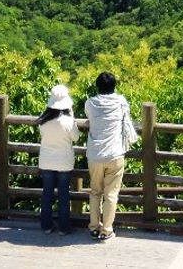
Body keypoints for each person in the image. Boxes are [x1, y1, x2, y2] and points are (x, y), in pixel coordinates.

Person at [83, 71, 137, 241]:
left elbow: (89, 118)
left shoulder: (90, 103)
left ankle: (93, 227)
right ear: (114, 86)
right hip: (115, 154)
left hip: (95, 154)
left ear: (97, 86)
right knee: (111, 194)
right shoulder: (121, 102)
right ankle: (106, 230)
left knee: (95, 192)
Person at [36, 84, 80, 235]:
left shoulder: (43, 121)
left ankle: (46, 226)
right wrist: (72, 118)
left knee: (47, 193)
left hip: (46, 161)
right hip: (64, 162)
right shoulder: (68, 121)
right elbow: (76, 137)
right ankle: (63, 227)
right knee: (63, 194)